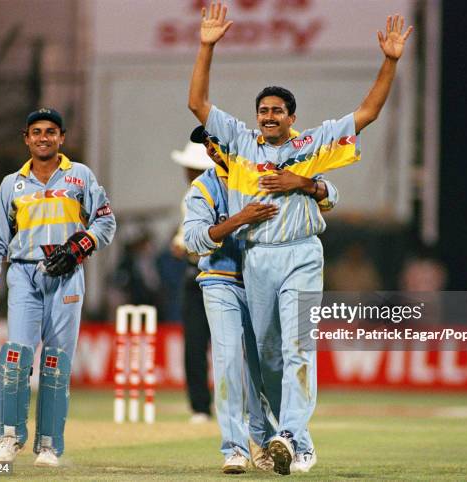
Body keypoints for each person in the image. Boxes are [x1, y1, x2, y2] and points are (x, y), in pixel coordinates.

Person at [188, 3, 412, 475]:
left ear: (292, 116)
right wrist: (206, 47)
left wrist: (389, 61)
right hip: (256, 259)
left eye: (277, 111)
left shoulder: (312, 145)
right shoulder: (240, 142)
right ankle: (289, 437)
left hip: (302, 256)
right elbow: (198, 105)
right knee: (268, 357)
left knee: (296, 348)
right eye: (263, 111)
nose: (269, 117)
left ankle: (292, 437)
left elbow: (367, 112)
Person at [183, 125, 339, 474]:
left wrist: (310, 185)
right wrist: (240, 219)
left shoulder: (266, 169)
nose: (213, 151)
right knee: (227, 362)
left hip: (264, 278)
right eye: (210, 147)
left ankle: (282, 439)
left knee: (265, 366)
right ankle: (235, 448)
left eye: (217, 144)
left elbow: (328, 196)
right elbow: (194, 240)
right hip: (221, 281)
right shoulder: (204, 188)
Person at [0, 108, 116, 467]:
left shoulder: (79, 177)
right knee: (15, 356)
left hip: (67, 275)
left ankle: (48, 445)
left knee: (56, 362)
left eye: (51, 131)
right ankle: (8, 437)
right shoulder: (11, 184)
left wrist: (82, 245)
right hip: (23, 273)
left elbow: (106, 221)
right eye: (36, 132)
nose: (43, 137)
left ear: (62, 137)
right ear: (26, 138)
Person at [171, 140, 215, 423]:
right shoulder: (189, 196)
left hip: (219, 274)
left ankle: (236, 404)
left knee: (230, 345)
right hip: (194, 275)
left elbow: (200, 238)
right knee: (195, 344)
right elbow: (183, 237)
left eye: (191, 167)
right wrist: (180, 244)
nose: (186, 172)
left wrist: (184, 244)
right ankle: (200, 407)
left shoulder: (215, 192)